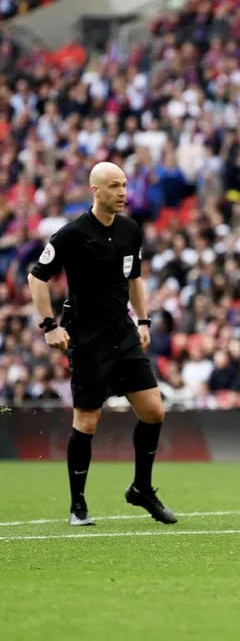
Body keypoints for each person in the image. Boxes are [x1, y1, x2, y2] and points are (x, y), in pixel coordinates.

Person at [26, 162, 176, 527]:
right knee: (87, 421)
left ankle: (141, 488)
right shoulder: (72, 234)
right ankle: (78, 505)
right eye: (113, 186)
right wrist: (49, 326)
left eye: (124, 185)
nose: (122, 192)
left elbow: (134, 278)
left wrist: (143, 320)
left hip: (122, 333)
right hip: (88, 337)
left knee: (154, 411)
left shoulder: (130, 230)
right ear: (95, 190)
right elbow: (37, 277)